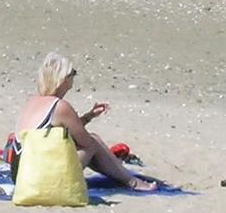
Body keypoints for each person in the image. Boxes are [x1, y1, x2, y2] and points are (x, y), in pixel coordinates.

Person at [9, 52, 156, 191]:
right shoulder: (60, 107)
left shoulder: (32, 101)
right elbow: (85, 141)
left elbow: (54, 133)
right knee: (93, 141)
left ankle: (120, 173)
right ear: (64, 79)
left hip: (20, 176)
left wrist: (88, 116)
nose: (74, 77)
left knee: (84, 142)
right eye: (73, 73)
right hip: (38, 179)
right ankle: (133, 182)